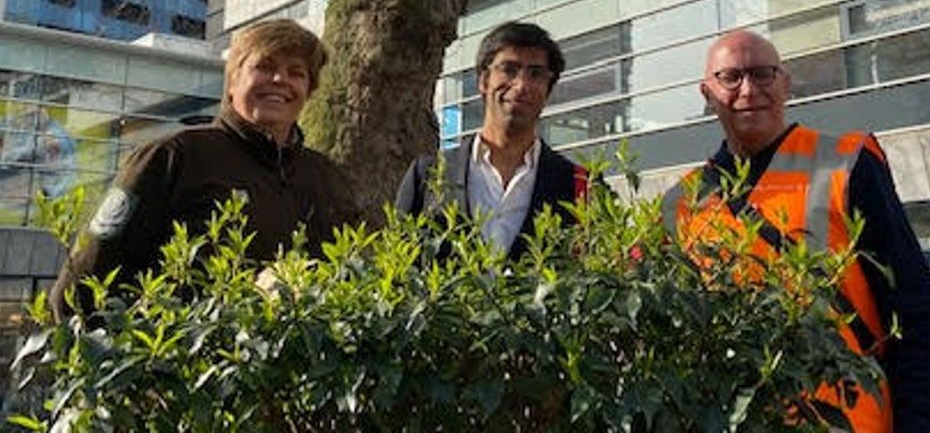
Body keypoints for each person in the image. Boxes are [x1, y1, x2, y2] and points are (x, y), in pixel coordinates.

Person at [662, 29, 930, 432]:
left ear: (785, 83)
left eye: (763, 74)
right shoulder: (682, 203)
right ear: (707, 93)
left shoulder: (847, 165)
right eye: (730, 77)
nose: (748, 90)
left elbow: (916, 316)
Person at [50, 19, 354, 319]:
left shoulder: (328, 178)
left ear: (309, 91)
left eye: (296, 73)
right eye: (264, 66)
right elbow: (77, 294)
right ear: (233, 81)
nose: (279, 80)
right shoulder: (172, 158)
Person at [395, 21, 591, 260]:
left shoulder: (579, 187)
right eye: (509, 69)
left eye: (536, 74)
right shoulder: (428, 176)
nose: (521, 85)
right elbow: (399, 273)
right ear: (483, 81)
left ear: (548, 89)